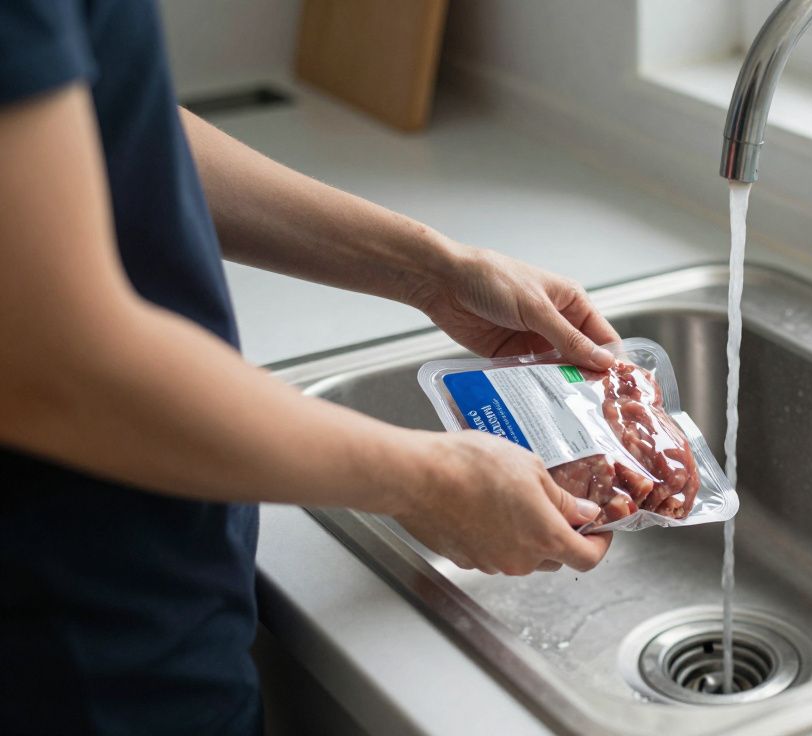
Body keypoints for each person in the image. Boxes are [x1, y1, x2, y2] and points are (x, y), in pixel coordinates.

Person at [0, 2, 617, 733]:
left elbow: (111, 129)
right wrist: (434, 481)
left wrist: (433, 271)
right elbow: (57, 368)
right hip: (73, 639)